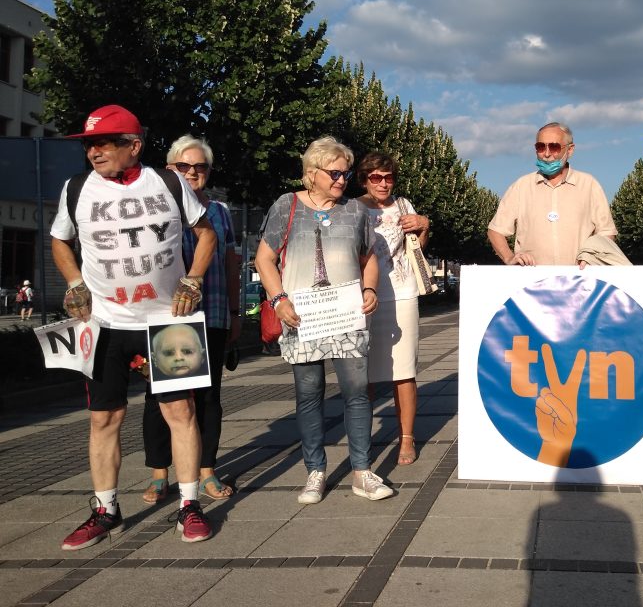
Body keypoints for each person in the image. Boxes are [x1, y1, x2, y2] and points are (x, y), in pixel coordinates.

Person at [50, 104, 217, 549]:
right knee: (104, 417)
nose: (93, 153)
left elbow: (206, 234)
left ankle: (189, 505)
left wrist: (194, 279)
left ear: (134, 146)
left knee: (180, 414)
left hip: (167, 321)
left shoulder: (167, 182)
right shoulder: (76, 189)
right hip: (104, 324)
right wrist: (74, 282)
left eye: (102, 143)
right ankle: (106, 510)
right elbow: (59, 241)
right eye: (88, 145)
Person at [254, 137, 393, 503]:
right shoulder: (286, 205)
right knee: (309, 394)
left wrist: (370, 290)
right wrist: (278, 299)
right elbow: (264, 260)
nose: (342, 179)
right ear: (311, 173)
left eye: (346, 173)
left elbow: (369, 258)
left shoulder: (356, 211)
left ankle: (362, 471)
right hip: (302, 316)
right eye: (335, 173)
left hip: (346, 314)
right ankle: (315, 471)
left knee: (357, 393)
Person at [140, 135, 241, 504]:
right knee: (159, 398)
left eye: (200, 167)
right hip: (166, 318)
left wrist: (234, 312)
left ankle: (207, 471)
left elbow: (231, 263)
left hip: (211, 314)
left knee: (209, 398)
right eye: (183, 166)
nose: (192, 172)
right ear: (170, 170)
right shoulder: (151, 208)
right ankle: (158, 473)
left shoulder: (219, 212)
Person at [355, 152, 430, 466]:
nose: (383, 183)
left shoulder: (403, 205)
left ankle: (407, 439)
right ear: (364, 179)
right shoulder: (353, 209)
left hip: (402, 293)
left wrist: (425, 225)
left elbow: (418, 247)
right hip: (363, 297)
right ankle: (363, 438)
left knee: (404, 372)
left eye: (388, 177)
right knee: (365, 376)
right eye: (376, 177)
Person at [488, 122, 616, 266]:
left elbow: (606, 232)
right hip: (532, 282)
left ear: (570, 150)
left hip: (579, 280)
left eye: (554, 147)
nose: (547, 154)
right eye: (541, 147)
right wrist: (509, 257)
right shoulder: (521, 186)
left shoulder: (589, 185)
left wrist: (593, 257)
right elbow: (495, 230)